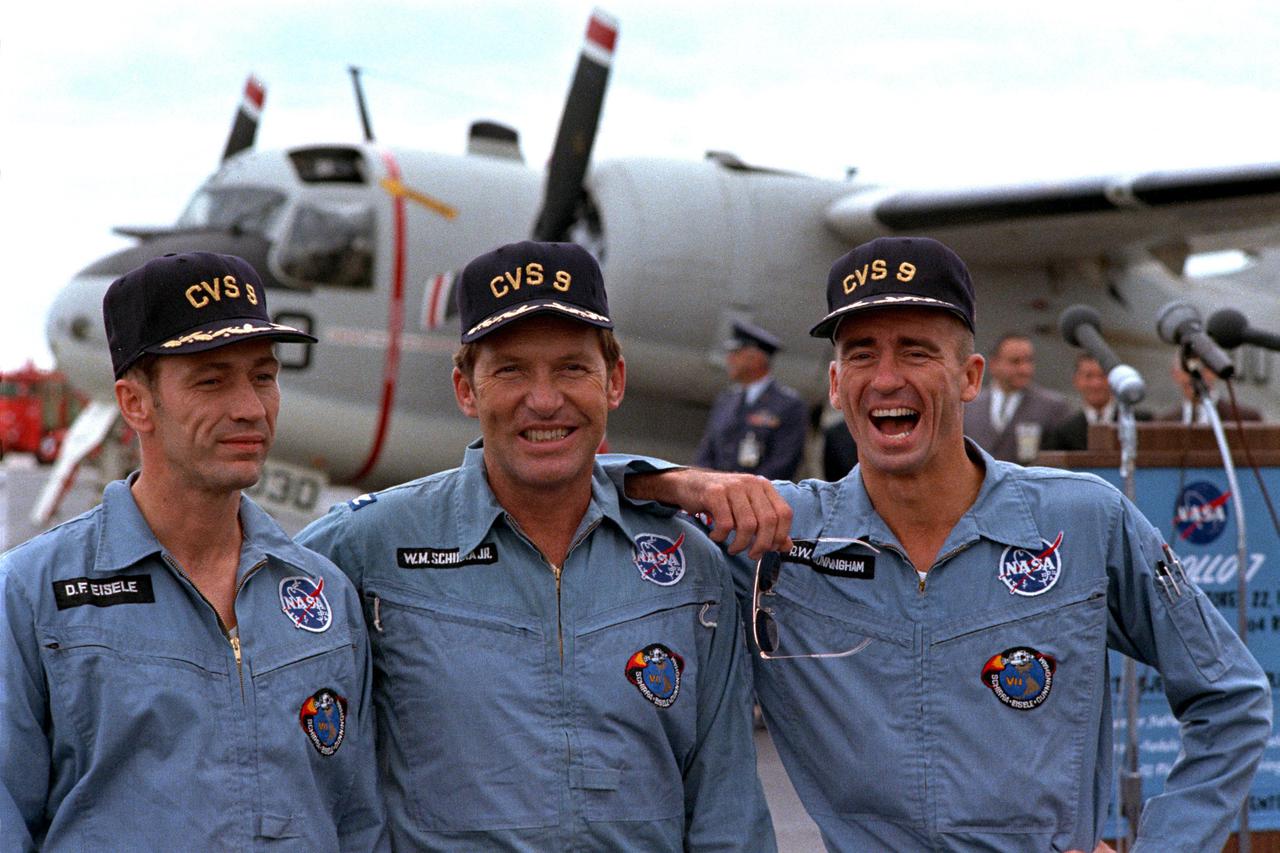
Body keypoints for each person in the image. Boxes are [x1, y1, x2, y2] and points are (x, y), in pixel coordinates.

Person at [614, 236, 1272, 852]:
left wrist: (1168, 844)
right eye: (863, 352)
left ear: (970, 376)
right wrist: (684, 478)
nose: (888, 376)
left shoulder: (1084, 519)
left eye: (918, 350)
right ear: (838, 385)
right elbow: (573, 489)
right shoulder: (778, 539)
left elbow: (1231, 696)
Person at [297, 240, 774, 850]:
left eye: (573, 368)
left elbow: (726, 803)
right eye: (511, 369)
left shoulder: (689, 565)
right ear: (466, 388)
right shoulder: (369, 546)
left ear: (615, 382)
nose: (544, 399)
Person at [0, 252, 385, 850]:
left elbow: (359, 820)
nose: (250, 408)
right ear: (135, 403)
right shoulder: (31, 595)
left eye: (263, 376)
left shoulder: (324, 595)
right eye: (211, 380)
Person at [693, 320, 808, 480]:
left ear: (756, 358)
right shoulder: (725, 400)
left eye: (736, 353)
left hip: (757, 498)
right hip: (715, 494)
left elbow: (784, 461)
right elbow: (707, 452)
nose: (729, 360)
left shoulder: (788, 405)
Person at [964, 331, 1070, 462]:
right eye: (1015, 362)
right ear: (993, 364)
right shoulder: (968, 406)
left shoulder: (1053, 407)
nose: (1025, 369)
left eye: (1029, 361)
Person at [1044, 353, 1152, 451]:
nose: (1096, 384)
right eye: (1088, 376)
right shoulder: (1064, 431)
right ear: (1077, 381)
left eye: (1102, 376)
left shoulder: (1140, 422)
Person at [1156, 353, 1262, 423]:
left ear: (1214, 372)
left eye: (1201, 368)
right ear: (1175, 374)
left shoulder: (1245, 418)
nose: (1194, 376)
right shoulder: (1163, 422)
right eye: (1186, 369)